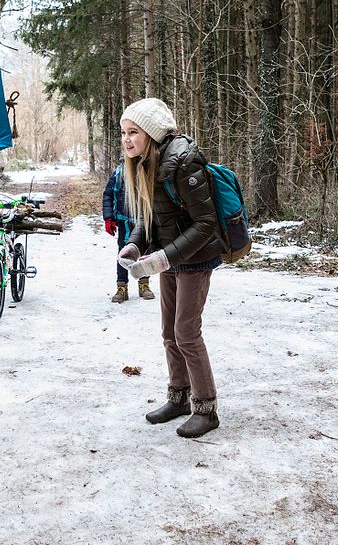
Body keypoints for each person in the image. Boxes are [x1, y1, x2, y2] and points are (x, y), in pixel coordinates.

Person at [116, 97, 225, 438]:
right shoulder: (145, 162)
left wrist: (163, 258)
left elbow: (206, 223)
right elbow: (148, 215)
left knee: (186, 333)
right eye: (123, 133)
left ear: (150, 133)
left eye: (133, 132)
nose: (126, 140)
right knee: (169, 333)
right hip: (173, 259)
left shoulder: (184, 161)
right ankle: (178, 398)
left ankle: (206, 408)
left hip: (195, 258)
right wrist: (135, 244)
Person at [102, 156, 154, 302]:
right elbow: (108, 195)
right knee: (123, 254)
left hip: (143, 221)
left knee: (144, 253)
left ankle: (144, 284)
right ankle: (121, 287)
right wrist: (108, 217)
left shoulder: (148, 172)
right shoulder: (119, 173)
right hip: (124, 221)